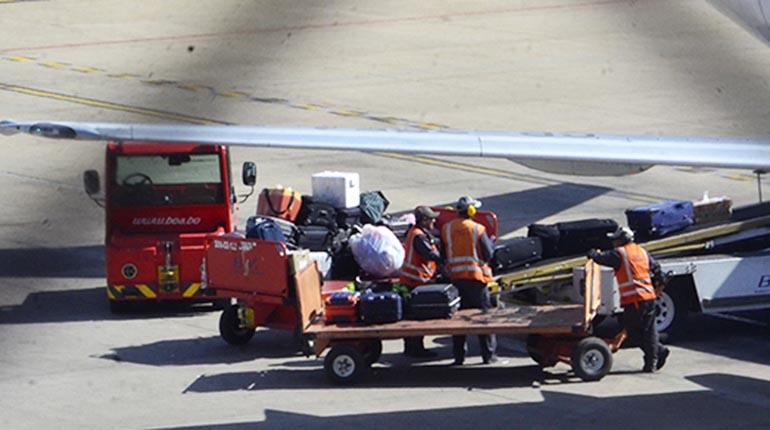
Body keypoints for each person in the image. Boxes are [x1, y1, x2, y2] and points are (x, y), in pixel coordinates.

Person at [587, 226, 670, 373]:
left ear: (622, 240)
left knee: (633, 332)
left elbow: (602, 259)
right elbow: (656, 268)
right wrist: (660, 279)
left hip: (635, 300)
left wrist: (592, 254)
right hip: (648, 297)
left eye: (615, 240)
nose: (613, 243)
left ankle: (658, 352)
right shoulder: (642, 251)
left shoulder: (620, 253)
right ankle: (653, 361)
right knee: (648, 330)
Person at [441, 196, 497, 365]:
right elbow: (489, 254)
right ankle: (488, 356)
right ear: (471, 211)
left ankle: (458, 358)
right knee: (483, 320)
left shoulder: (446, 228)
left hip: (455, 281)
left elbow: (443, 255)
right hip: (476, 280)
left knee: (458, 321)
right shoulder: (478, 229)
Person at [399, 205, 443, 358]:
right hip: (415, 282)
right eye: (431, 218)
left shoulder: (415, 232)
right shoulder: (419, 236)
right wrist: (446, 259)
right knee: (418, 317)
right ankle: (415, 349)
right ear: (424, 220)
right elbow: (430, 254)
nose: (434, 221)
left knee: (413, 316)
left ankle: (411, 348)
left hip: (411, 280)